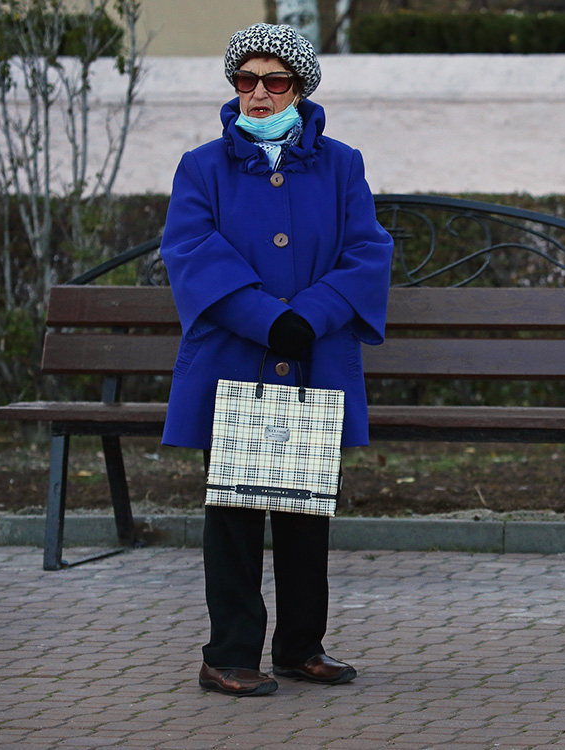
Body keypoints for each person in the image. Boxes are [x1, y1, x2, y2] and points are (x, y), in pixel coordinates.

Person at [159, 23, 394, 697]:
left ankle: (299, 647)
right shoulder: (202, 166)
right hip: (236, 363)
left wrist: (310, 318)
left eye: (275, 82)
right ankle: (227, 654)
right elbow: (192, 252)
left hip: (313, 361)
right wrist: (268, 319)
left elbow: (367, 251)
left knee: (304, 512)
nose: (258, 95)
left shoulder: (342, 163)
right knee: (233, 515)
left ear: (300, 88)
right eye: (245, 80)